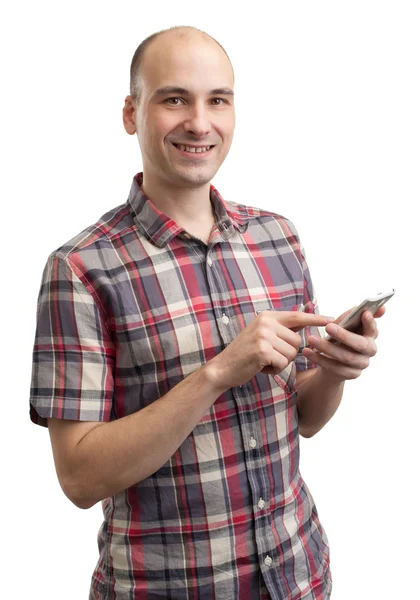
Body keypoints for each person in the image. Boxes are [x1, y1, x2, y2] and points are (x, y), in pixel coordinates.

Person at [29, 25, 385, 600]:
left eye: (217, 100)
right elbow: (79, 476)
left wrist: (337, 371)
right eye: (175, 99)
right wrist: (218, 372)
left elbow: (305, 418)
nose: (200, 122)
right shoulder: (79, 270)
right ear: (131, 113)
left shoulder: (277, 237)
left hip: (299, 576)